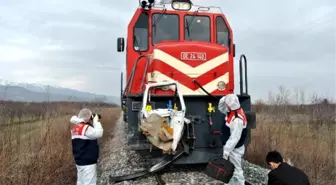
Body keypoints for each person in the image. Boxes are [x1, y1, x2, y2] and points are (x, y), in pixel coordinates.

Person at [218, 94, 248, 185]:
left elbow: (235, 138)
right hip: (232, 147)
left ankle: (240, 183)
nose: (225, 106)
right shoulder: (233, 110)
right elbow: (221, 108)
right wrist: (225, 98)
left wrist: (226, 150)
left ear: (229, 105)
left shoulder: (237, 119)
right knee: (229, 168)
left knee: (236, 170)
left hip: (234, 148)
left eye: (227, 103)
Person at [70, 108, 103, 185]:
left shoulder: (75, 128)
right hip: (88, 163)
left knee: (80, 182)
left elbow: (74, 119)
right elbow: (99, 133)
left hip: (79, 161)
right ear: (88, 118)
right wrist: (96, 121)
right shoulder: (86, 128)